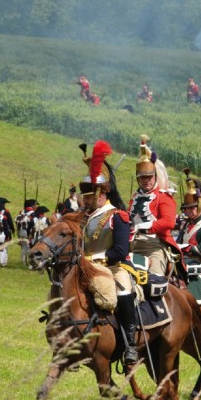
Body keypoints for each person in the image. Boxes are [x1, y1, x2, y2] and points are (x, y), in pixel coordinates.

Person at [79, 139, 138, 366]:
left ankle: (130, 344)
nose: (84, 201)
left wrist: (97, 259)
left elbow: (121, 251)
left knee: (123, 291)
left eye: (88, 196)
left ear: (101, 194)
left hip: (114, 267)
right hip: (87, 266)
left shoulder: (117, 216)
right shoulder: (85, 217)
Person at [129, 135, 179, 278]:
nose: (146, 181)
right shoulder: (134, 198)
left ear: (155, 176)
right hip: (131, 246)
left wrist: (146, 226)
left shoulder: (164, 197)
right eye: (142, 177)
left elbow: (169, 221)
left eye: (149, 177)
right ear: (138, 178)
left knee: (154, 279)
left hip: (154, 246)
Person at [16, 199, 38, 264]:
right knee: (29, 246)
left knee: (23, 246)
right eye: (35, 205)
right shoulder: (33, 213)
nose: (36, 206)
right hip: (28, 231)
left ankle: (23, 261)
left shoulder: (22, 211)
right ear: (32, 205)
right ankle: (29, 261)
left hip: (21, 231)